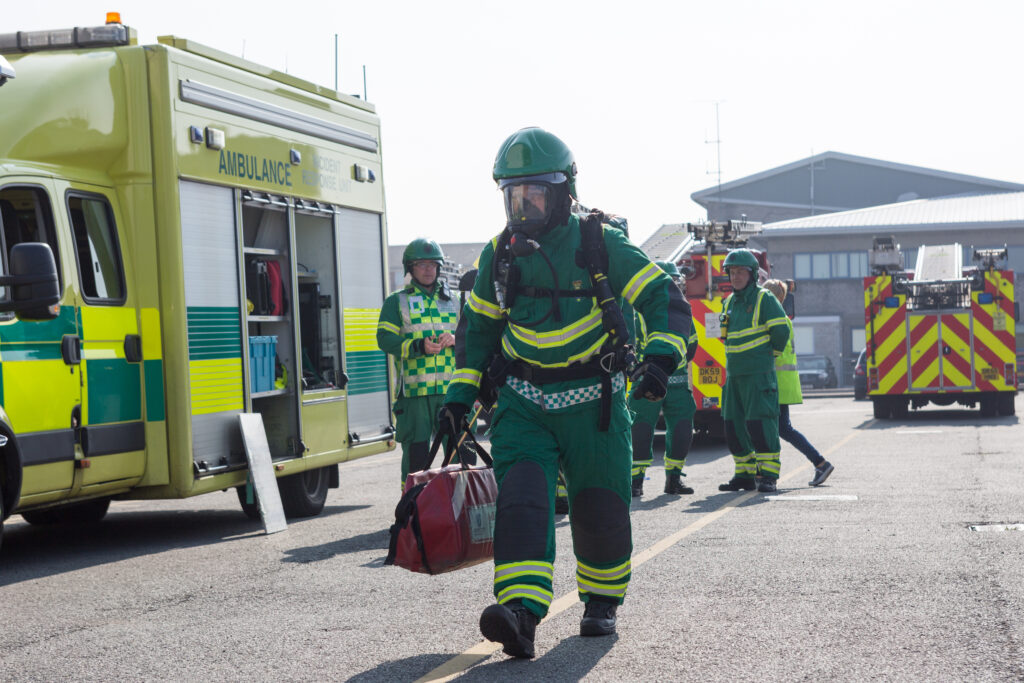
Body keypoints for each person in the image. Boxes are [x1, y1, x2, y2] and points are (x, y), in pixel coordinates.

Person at [436, 127, 689, 659]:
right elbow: (477, 333)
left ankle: (601, 600)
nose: (522, 208)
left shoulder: (599, 243)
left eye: (534, 195)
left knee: (600, 507)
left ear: (564, 192)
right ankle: (522, 614)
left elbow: (662, 296)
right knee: (524, 503)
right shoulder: (499, 254)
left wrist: (661, 358)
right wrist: (459, 399)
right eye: (513, 196)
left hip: (593, 405)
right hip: (522, 404)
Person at [377, 238, 459, 488]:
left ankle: (464, 511)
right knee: (417, 459)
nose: (428, 269)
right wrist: (417, 346)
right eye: (421, 264)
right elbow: (384, 339)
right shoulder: (396, 301)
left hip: (452, 391)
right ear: (410, 268)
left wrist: (456, 339)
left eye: (433, 264)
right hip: (414, 393)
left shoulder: (455, 300)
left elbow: (473, 336)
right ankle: (412, 512)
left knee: (461, 455)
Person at [716, 248, 790, 494]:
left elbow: (781, 331)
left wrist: (771, 356)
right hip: (734, 376)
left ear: (752, 274)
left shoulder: (764, 298)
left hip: (759, 376)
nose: (735, 277)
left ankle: (768, 476)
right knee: (732, 426)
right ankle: (744, 475)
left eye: (740, 272)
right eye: (732, 272)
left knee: (761, 425)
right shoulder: (728, 302)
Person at [630, 261, 696, 497]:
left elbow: (693, 346)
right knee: (639, 431)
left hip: (676, 386)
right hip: (645, 382)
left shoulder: (681, 312)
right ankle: (635, 481)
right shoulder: (637, 315)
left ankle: (673, 479)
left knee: (681, 431)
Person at [761, 279, 835, 487]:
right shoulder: (783, 319)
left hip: (775, 384)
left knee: (773, 429)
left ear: (770, 298)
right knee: (783, 429)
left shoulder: (775, 321)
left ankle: (818, 463)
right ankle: (820, 463)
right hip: (782, 384)